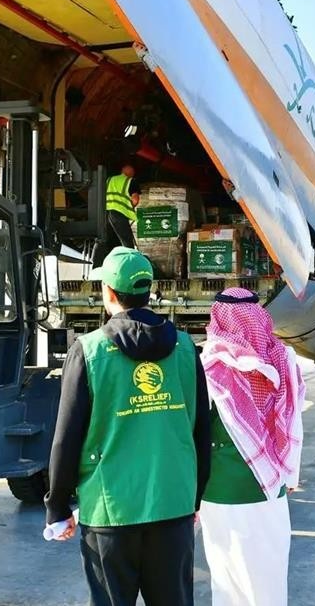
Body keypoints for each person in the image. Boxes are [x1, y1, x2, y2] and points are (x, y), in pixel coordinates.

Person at [44, 247, 211, 606]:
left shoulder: (89, 350)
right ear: (148, 291)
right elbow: (201, 430)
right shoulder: (185, 348)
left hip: (110, 512)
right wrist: (194, 497)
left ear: (108, 293)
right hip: (173, 507)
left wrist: (57, 505)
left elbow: (66, 437)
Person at [197, 287, 305, 606]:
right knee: (268, 577)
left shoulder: (209, 364)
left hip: (221, 490)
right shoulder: (284, 358)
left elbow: (196, 433)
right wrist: (290, 475)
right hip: (271, 487)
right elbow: (293, 421)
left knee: (229, 581)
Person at [94, 163, 141, 266]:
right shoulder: (130, 181)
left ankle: (95, 270)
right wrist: (130, 207)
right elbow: (135, 199)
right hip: (118, 214)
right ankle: (129, 267)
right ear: (131, 173)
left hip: (104, 214)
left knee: (102, 241)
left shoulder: (108, 180)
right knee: (127, 243)